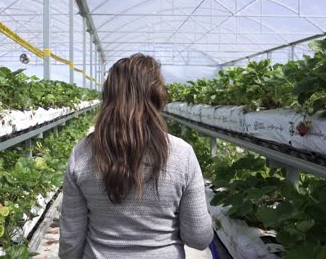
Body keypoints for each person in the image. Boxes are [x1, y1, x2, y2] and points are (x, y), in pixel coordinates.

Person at [59, 53, 214, 259]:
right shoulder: (182, 153)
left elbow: (71, 240)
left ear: (108, 96)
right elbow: (198, 238)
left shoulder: (82, 153)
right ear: (157, 96)